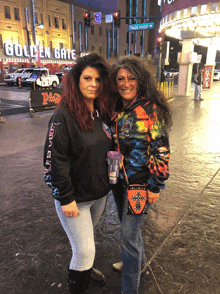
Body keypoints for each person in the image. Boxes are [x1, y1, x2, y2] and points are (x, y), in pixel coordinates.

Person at [43, 53, 113, 294]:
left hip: (99, 195)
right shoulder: (63, 116)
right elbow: (53, 160)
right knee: (83, 250)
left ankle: (87, 268)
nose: (94, 84)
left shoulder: (102, 112)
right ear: (76, 80)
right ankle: (81, 276)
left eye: (98, 79)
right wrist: (65, 197)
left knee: (87, 240)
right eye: (87, 78)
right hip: (76, 200)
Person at [109, 56, 172, 294]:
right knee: (129, 231)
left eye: (130, 78)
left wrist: (155, 185)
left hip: (139, 185)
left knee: (129, 236)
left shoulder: (150, 110)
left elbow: (161, 149)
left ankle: (130, 289)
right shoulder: (117, 107)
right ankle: (135, 262)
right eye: (120, 79)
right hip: (118, 182)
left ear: (140, 80)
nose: (125, 83)